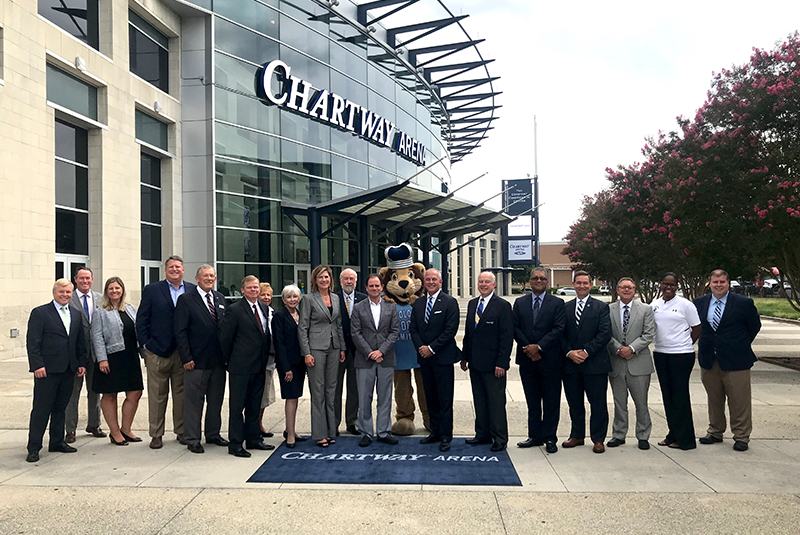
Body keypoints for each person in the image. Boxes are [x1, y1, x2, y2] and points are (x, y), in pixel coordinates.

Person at [694, 269, 762, 452]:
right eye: (715, 282)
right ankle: (715, 431)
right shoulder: (700, 303)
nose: (718, 285)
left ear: (728, 283)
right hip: (709, 359)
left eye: (722, 282)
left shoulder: (743, 303)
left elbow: (754, 326)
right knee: (714, 399)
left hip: (736, 360)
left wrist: (738, 343)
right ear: (710, 283)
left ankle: (741, 436)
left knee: (739, 400)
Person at [136, 255, 195, 449]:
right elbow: (142, 320)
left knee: (181, 395)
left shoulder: (192, 290)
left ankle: (181, 431)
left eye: (178, 267)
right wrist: (146, 347)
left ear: (183, 270)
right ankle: (156, 434)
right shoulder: (152, 290)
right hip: (158, 352)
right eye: (171, 267)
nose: (175, 270)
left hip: (183, 353)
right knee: (157, 396)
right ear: (165, 270)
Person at [25, 279, 87, 462]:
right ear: (54, 292)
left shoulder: (76, 314)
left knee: (61, 408)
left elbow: (79, 342)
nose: (65, 295)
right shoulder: (40, 313)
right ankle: (34, 447)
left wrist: (81, 362)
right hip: (47, 370)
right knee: (41, 409)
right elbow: (33, 342)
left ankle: (57, 442)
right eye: (62, 292)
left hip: (69, 370)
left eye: (68, 292)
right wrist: (37, 365)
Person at [174, 265, 229, 454]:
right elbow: (180, 331)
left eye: (212, 276)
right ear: (197, 278)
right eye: (205, 276)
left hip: (218, 361)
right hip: (195, 361)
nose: (209, 278)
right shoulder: (186, 300)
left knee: (216, 400)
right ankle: (192, 438)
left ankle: (213, 434)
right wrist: (186, 357)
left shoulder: (220, 298)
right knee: (194, 402)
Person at [513, 268, 566, 454]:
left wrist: (539, 347)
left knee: (551, 401)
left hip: (550, 360)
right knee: (532, 401)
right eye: (535, 278)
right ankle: (534, 436)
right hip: (527, 360)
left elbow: (559, 328)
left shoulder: (558, 303)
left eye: (542, 278)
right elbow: (515, 328)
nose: (538, 280)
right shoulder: (520, 303)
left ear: (547, 282)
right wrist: (529, 348)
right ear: (529, 281)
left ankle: (550, 437)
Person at [220, 275, 274, 457]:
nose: (254, 290)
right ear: (243, 290)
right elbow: (225, 338)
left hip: (259, 366)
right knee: (237, 407)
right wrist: (229, 362)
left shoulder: (264, 308)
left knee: (254, 405)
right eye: (250, 287)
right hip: (240, 367)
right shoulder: (234, 310)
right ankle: (235, 443)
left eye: (256, 287)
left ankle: (253, 439)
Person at [461, 272, 513, 452]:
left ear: (494, 285)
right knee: (480, 401)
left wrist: (502, 363)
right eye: (480, 281)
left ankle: (499, 438)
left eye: (487, 282)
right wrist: (464, 357)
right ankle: (482, 434)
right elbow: (469, 334)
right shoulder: (472, 304)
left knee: (496, 402)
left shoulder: (503, 306)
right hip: (475, 363)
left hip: (494, 365)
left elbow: (506, 337)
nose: (483, 284)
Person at [410, 268, 461, 452]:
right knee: (430, 397)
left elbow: (450, 330)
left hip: (442, 358)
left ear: (440, 282)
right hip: (424, 359)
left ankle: (446, 435)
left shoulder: (449, 302)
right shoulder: (418, 303)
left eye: (434, 279)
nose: (431, 282)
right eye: (428, 279)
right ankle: (435, 432)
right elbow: (413, 328)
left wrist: (431, 348)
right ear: (424, 282)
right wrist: (421, 348)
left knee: (444, 399)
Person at [562, 271, 612, 454]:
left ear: (591, 285)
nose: (582, 286)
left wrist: (586, 351)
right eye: (578, 283)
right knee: (574, 402)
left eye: (585, 283)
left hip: (595, 364)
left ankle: (598, 439)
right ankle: (577, 435)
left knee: (597, 403)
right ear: (573, 284)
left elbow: (605, 333)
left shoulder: (601, 307)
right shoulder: (565, 307)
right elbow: (560, 334)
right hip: (570, 365)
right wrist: (569, 352)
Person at [90, 277, 144, 446]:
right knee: (110, 395)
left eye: (117, 288)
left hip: (130, 357)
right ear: (106, 291)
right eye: (111, 288)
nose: (114, 291)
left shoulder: (129, 309)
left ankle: (126, 429)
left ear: (122, 290)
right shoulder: (100, 311)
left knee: (135, 393)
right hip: (110, 358)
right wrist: (102, 359)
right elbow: (96, 336)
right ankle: (114, 433)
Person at [652, 272, 701, 450]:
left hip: (681, 355)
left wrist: (684, 343)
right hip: (661, 354)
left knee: (680, 396)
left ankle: (685, 440)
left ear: (677, 286)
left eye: (672, 285)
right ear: (660, 284)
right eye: (665, 284)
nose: (668, 287)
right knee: (668, 396)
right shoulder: (655, 305)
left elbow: (696, 329)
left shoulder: (685, 305)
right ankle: (672, 434)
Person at [298, 265, 346, 447]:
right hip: (316, 349)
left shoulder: (335, 298)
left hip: (334, 348)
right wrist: (307, 352)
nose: (324, 280)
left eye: (326, 277)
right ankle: (319, 434)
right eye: (320, 278)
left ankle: (331, 430)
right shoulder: (308, 299)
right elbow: (302, 327)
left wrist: (342, 348)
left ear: (330, 279)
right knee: (318, 392)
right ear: (315, 280)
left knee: (331, 391)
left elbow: (339, 324)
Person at [606, 277, 656, 450]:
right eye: (623, 287)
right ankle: (619, 434)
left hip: (639, 363)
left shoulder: (646, 309)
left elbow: (649, 334)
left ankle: (643, 435)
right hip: (616, 362)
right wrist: (619, 348)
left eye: (630, 287)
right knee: (619, 402)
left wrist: (632, 349)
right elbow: (606, 333)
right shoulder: (609, 309)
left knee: (641, 402)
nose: (626, 290)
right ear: (617, 290)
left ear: (635, 290)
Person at [350, 274, 400, 447]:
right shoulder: (358, 308)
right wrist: (370, 352)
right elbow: (355, 333)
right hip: (365, 359)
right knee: (364, 397)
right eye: (371, 286)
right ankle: (366, 432)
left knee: (385, 397)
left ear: (382, 287)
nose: (374, 288)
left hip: (385, 359)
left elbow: (395, 332)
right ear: (366, 288)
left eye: (377, 285)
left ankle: (384, 431)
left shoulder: (391, 307)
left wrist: (381, 351)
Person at [66, 266, 105, 443]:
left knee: (95, 391)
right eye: (81, 278)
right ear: (75, 280)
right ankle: (70, 429)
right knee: (72, 393)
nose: (85, 281)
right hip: (76, 354)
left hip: (96, 354)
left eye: (88, 278)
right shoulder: (68, 298)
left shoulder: (99, 298)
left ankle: (94, 425)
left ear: (92, 279)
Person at [272, 284, 308, 447]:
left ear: (299, 298)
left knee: (296, 395)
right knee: (291, 398)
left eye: (295, 296)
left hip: (301, 363)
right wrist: (286, 368)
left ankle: (290, 429)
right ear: (284, 299)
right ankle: (290, 435)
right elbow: (279, 344)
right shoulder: (279, 316)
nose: (292, 299)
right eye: (289, 297)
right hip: (288, 365)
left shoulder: (301, 314)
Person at [335, 268, 366, 435]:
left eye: (351, 279)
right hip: (337, 350)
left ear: (356, 281)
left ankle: (352, 421)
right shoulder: (333, 298)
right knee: (336, 388)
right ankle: (334, 423)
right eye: (346, 279)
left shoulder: (363, 298)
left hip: (357, 351)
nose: (348, 282)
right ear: (340, 281)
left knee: (355, 388)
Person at [257, 282, 277, 438]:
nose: (266, 297)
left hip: (269, 360)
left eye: (268, 295)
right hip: (255, 360)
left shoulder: (272, 313)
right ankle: (252, 425)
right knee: (254, 395)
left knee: (265, 395)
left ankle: (259, 424)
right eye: (263, 294)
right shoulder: (254, 312)